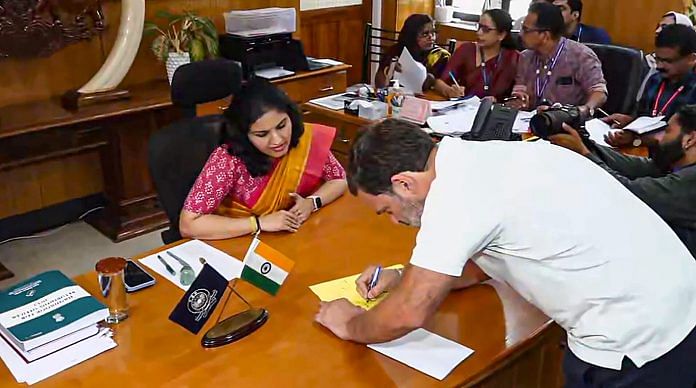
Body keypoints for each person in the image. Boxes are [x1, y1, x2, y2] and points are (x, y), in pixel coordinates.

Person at [314, 118, 696, 387]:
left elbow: (410, 312)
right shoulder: (478, 158)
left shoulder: (455, 196)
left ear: (404, 183)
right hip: (676, 303)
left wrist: (348, 323)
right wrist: (403, 277)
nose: (394, 221)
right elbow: (483, 264)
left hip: (638, 342)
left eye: (387, 210)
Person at [179, 80, 347, 240]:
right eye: (262, 134)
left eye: (281, 126)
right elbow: (189, 224)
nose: (277, 140)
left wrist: (311, 203)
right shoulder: (228, 158)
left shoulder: (305, 140)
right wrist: (258, 223)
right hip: (242, 242)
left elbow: (339, 179)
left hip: (293, 236)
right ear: (244, 134)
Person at [550, 105, 696, 257]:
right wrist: (586, 144)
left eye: (667, 132)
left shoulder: (690, 181)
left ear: (690, 139)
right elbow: (631, 166)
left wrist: (584, 153)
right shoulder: (676, 164)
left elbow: (628, 193)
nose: (658, 139)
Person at [605, 25, 696, 148]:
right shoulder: (656, 79)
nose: (659, 66)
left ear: (692, 59)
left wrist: (637, 140)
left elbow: (683, 138)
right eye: (657, 59)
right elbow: (646, 117)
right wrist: (630, 122)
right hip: (642, 150)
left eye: (668, 61)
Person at [507, 2, 607, 114]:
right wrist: (519, 99)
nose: (520, 34)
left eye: (526, 30)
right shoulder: (525, 57)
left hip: (568, 124)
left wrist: (585, 109)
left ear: (545, 35)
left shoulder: (581, 55)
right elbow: (520, 89)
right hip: (532, 122)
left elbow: (599, 92)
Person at [433, 9, 519, 101]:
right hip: (463, 108)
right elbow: (438, 82)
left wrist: (497, 100)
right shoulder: (466, 50)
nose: (479, 33)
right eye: (479, 27)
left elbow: (516, 95)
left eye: (486, 30)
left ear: (501, 35)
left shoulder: (513, 58)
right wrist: (449, 91)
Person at [374, 14, 451, 91]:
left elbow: (442, 88)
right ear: (411, 36)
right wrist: (390, 71)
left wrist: (429, 80)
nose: (431, 37)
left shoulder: (441, 56)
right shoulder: (395, 51)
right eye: (425, 34)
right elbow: (379, 85)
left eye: (433, 32)